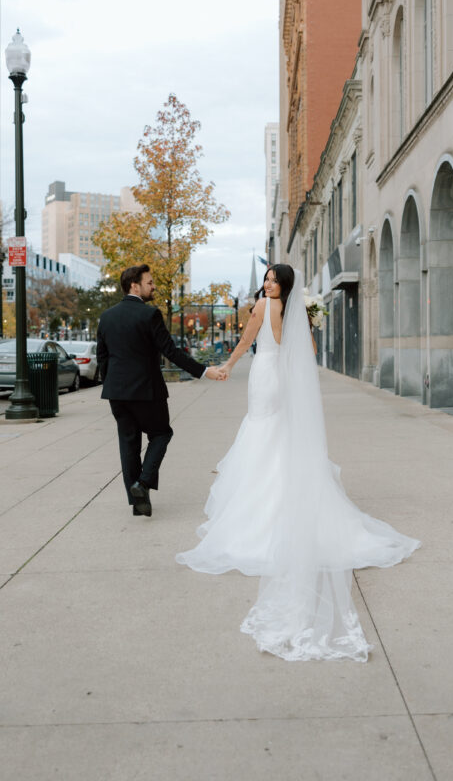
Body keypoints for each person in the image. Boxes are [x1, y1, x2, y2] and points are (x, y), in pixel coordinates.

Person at [176, 263, 420, 662]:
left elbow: (245, 342)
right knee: (280, 436)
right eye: (267, 279)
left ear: (282, 285)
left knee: (261, 432)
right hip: (285, 378)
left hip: (265, 376)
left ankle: (260, 514)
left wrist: (226, 367)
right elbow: (307, 351)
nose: (268, 283)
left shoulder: (261, 306)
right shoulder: (294, 311)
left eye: (274, 280)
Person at [96, 264, 223, 518]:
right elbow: (171, 352)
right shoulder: (149, 314)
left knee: (128, 444)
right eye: (150, 282)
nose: (153, 286)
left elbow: (103, 358)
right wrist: (203, 370)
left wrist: (113, 384)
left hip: (117, 393)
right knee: (161, 433)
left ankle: (138, 502)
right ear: (135, 285)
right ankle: (142, 484)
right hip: (146, 391)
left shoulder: (107, 317)